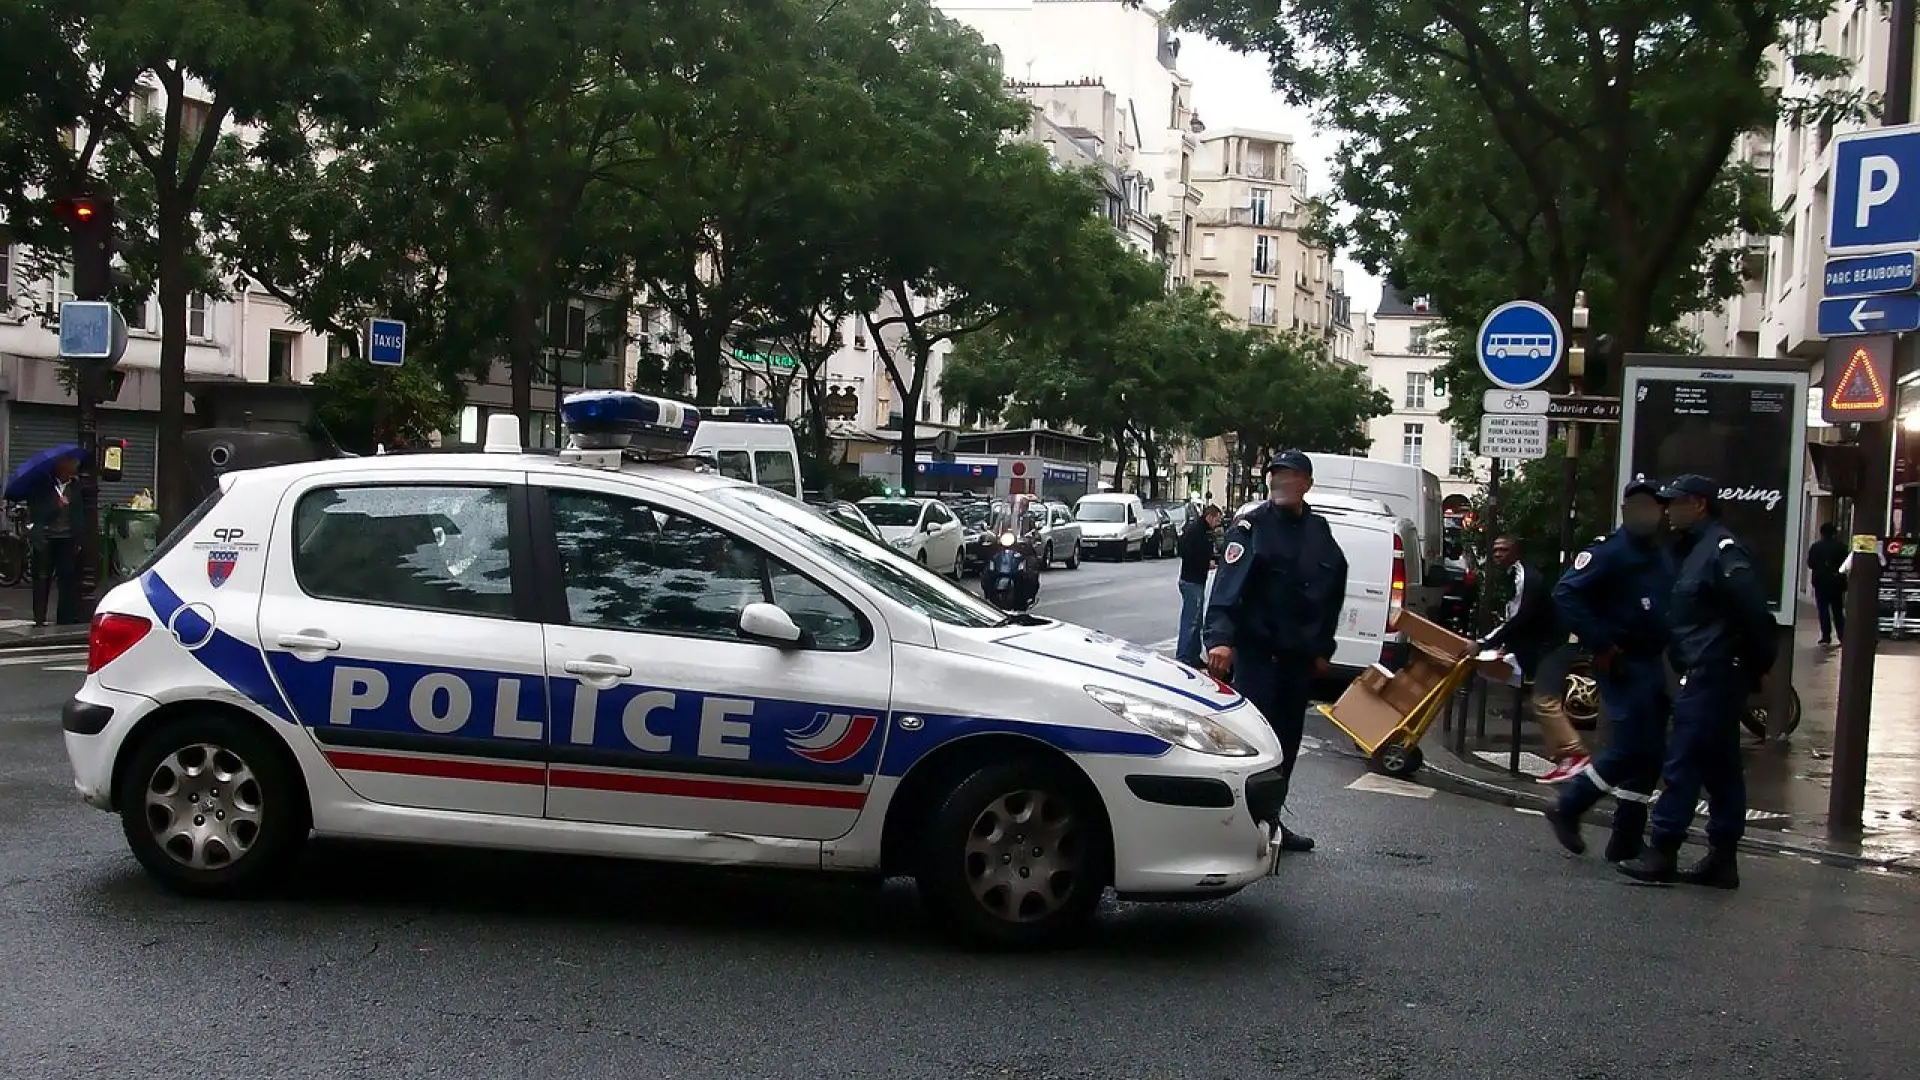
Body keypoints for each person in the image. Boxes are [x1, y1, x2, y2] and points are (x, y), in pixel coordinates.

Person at [1618, 474, 1777, 889]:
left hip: (1714, 672)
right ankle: (1723, 859)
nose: (1668, 511)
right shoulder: (1693, 551)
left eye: (1675, 503)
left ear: (1699, 505)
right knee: (1720, 766)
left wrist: (1754, 664)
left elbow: (1755, 614)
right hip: (1706, 670)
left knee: (1683, 760)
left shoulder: (1721, 552)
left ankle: (1663, 850)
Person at [1204, 451, 1348, 853]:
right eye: (1276, 476)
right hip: (1258, 657)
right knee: (1251, 746)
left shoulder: (1318, 531)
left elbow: (1333, 589)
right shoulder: (1252, 527)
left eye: (1291, 476)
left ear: (1306, 483)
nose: (1281, 483)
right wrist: (1220, 639)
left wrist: (1322, 646)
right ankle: (1236, 827)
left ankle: (1271, 823)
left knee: (1285, 746)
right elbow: (1227, 588)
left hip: (1296, 662)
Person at [1541, 478, 1678, 864]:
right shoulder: (1611, 552)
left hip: (1653, 661)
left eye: (1657, 507)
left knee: (1650, 753)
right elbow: (1567, 593)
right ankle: (1569, 805)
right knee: (1629, 747)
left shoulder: (1657, 552)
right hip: (1622, 662)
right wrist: (1600, 643)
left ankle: (1627, 836)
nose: (1652, 514)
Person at [1477, 535, 1591, 783]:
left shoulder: (1525, 576)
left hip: (1556, 645)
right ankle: (1563, 757)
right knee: (1542, 700)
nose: (1497, 554)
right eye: (1495, 550)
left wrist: (1484, 644)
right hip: (1548, 644)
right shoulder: (1513, 575)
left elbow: (1518, 618)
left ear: (1516, 551)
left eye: (1503, 549)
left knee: (1544, 700)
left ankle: (1575, 754)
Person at [26, 453, 83, 627]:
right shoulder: (43, 487)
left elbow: (80, 514)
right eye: (71, 463)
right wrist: (56, 506)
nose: (75, 466)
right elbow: (37, 512)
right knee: (42, 578)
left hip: (66, 538)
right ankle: (39, 617)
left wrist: (79, 538)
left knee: (67, 578)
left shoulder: (76, 487)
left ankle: (64, 618)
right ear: (61, 466)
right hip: (46, 538)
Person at [1175, 503, 1223, 668]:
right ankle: (1184, 656)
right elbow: (1190, 553)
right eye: (1217, 519)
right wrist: (1206, 563)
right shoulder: (1197, 531)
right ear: (1209, 516)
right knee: (1191, 620)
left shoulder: (1200, 530)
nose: (1218, 523)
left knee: (1195, 619)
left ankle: (1192, 655)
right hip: (1192, 580)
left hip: (1195, 579)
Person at [1807, 522, 1847, 645]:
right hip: (1836, 582)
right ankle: (1842, 636)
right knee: (1837, 610)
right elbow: (1846, 564)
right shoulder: (1842, 547)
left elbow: (1810, 564)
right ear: (1834, 533)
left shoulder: (1816, 547)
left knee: (1823, 609)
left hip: (1821, 582)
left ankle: (1826, 636)